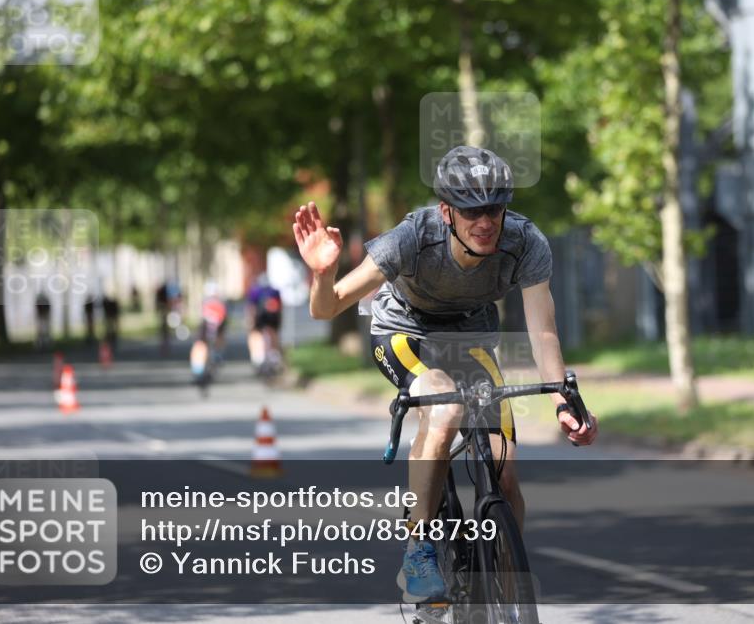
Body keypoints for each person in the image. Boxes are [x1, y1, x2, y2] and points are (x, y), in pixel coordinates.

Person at [293, 145, 598, 604]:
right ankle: (418, 546)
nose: (485, 222)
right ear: (446, 211)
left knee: (506, 471)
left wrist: (562, 401)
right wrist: (322, 272)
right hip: (404, 334)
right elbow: (327, 308)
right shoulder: (413, 238)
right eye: (471, 211)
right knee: (445, 407)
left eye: (494, 209)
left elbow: (544, 332)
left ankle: (512, 598)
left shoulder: (525, 242)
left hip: (471, 338)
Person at [246, 272, 284, 376]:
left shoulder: (255, 291)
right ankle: (274, 355)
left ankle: (258, 358)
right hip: (273, 318)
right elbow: (280, 308)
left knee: (255, 334)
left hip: (260, 317)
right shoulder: (275, 291)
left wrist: (250, 322)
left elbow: (251, 308)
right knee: (273, 333)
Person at [190, 281, 228, 382]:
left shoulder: (206, 301)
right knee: (203, 344)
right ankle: (217, 355)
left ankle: (198, 369)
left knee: (199, 345)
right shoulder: (220, 302)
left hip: (208, 328)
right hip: (214, 328)